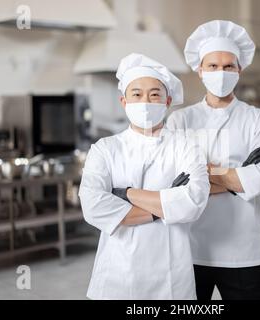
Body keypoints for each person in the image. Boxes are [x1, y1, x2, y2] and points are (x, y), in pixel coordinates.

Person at [79, 53, 210, 300]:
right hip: (117, 274)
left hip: (170, 276)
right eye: (136, 94)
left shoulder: (185, 147)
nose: (145, 102)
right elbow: (93, 206)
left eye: (155, 94)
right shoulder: (105, 149)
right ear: (124, 101)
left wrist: (127, 194)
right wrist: (164, 207)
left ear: (168, 101)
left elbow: (193, 203)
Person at [166, 20, 260, 300]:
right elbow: (172, 184)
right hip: (189, 247)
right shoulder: (180, 120)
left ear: (240, 70)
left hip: (243, 250)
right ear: (200, 70)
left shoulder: (259, 120)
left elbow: (259, 181)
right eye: (213, 66)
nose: (221, 72)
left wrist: (200, 178)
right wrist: (236, 176)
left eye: (229, 66)